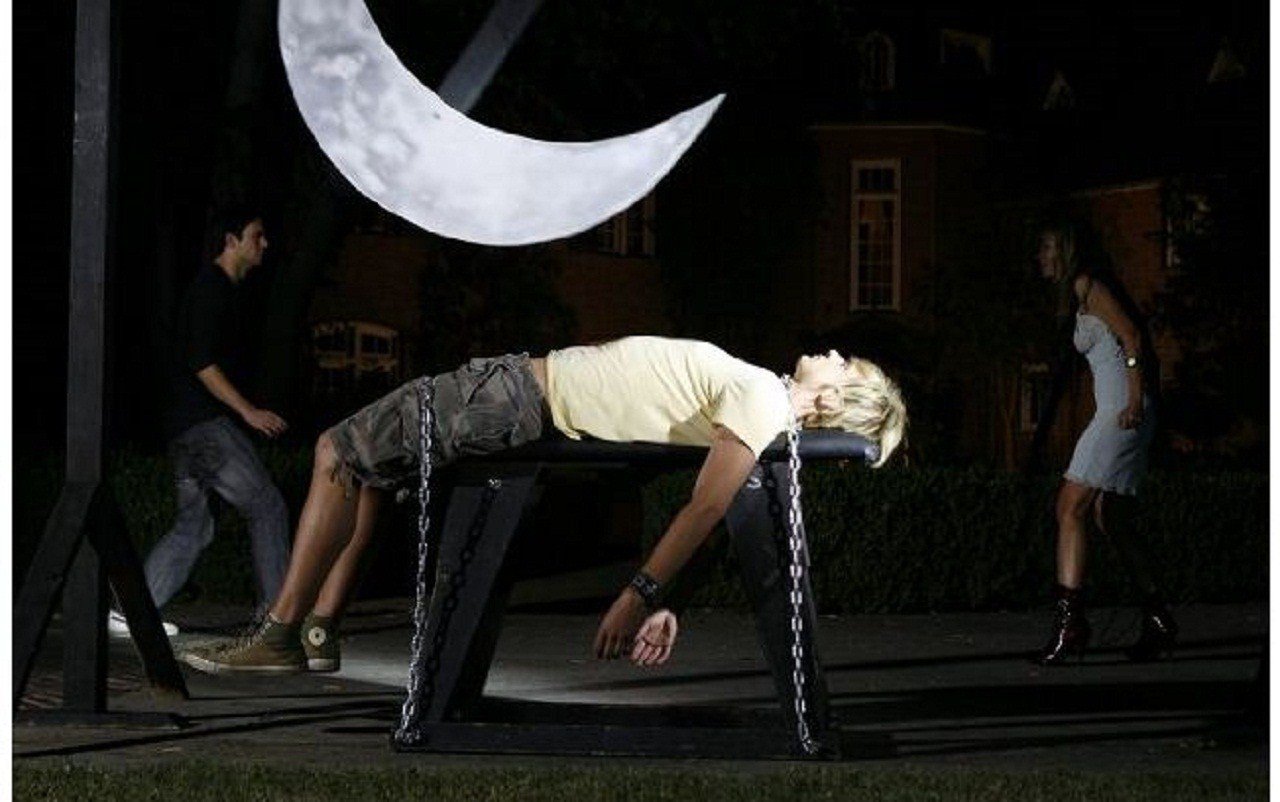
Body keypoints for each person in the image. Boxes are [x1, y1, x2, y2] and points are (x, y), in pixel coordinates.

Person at [181, 336, 906, 673]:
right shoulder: (757, 398)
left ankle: (279, 631)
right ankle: (318, 630)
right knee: (367, 470)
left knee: (336, 452)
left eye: (847, 361)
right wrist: (663, 595)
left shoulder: (761, 400)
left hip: (518, 396)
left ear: (836, 398)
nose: (836, 352)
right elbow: (705, 494)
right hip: (518, 389)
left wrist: (639, 593)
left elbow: (706, 507)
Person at [110, 206, 292, 638]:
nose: (264, 244)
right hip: (205, 429)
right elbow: (202, 364)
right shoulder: (211, 291)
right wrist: (248, 411)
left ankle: (133, 610)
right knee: (267, 506)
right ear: (232, 241)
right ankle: (278, 621)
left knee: (195, 525)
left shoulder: (215, 292)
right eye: (256, 235)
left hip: (183, 432)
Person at [1034, 225, 1177, 665]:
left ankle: (1070, 625)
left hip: (1123, 411)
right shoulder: (1076, 293)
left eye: (1046, 246)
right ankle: (1157, 617)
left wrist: (1134, 398)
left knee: (1069, 506)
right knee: (1108, 516)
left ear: (1064, 250)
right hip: (1116, 410)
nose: (1039, 256)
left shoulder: (1087, 284)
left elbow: (1133, 337)